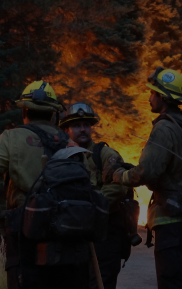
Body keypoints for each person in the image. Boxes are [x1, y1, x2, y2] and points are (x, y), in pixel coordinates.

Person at [0, 80, 90, 289]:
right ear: (53, 114)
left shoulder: (11, 138)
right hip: (68, 234)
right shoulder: (70, 143)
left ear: (24, 111)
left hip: (24, 233)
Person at [104, 67, 182, 289]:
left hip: (169, 218)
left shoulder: (164, 128)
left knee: (171, 281)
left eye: (153, 93)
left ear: (163, 97)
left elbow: (145, 172)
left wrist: (118, 175)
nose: (149, 98)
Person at [60, 101, 137, 289]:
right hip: (74, 234)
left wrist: (91, 207)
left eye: (86, 125)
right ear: (67, 129)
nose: (83, 129)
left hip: (105, 233)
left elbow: (119, 186)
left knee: (101, 282)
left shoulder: (104, 154)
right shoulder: (61, 157)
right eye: (77, 126)